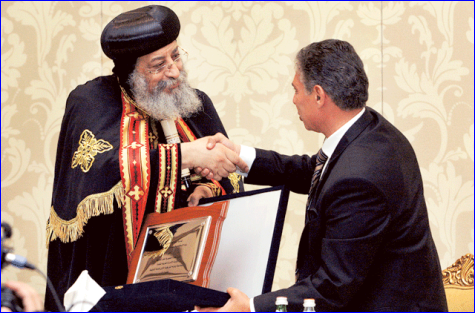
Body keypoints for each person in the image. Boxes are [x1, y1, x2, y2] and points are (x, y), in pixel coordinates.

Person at [197, 39, 448, 311]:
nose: (293, 99)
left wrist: (252, 307)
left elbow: (333, 286)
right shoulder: (367, 129)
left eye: (295, 90)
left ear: (318, 95)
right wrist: (240, 157)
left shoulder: (360, 179)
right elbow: (314, 171)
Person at [44, 5, 247, 311]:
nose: (174, 71)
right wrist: (185, 155)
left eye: (176, 56)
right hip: (112, 277)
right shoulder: (91, 102)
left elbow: (225, 177)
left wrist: (207, 190)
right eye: (158, 64)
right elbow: (100, 169)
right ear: (130, 70)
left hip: (186, 282)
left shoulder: (195, 102)